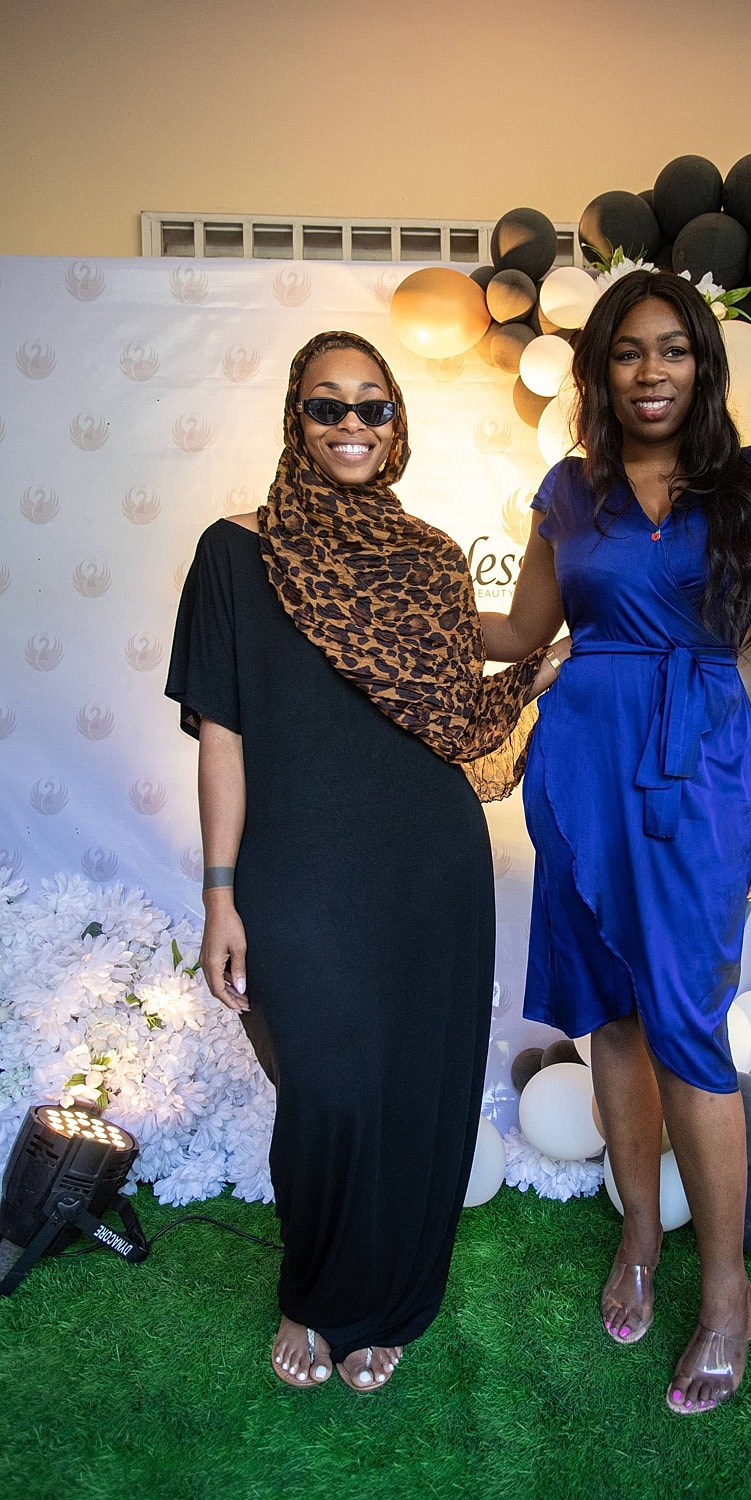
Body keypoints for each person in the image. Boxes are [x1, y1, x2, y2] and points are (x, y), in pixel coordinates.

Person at [166, 331, 561, 1392]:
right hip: (296, 865)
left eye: (372, 407)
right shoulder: (234, 552)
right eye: (327, 405)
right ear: (295, 419)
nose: (351, 425)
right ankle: (314, 1291)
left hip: (428, 859)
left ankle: (388, 1304)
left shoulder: (426, 557)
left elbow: (453, 708)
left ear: (397, 425)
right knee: (328, 1086)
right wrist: (219, 893)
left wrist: (540, 667)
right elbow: (222, 736)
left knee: (412, 1088)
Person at [481, 269, 751, 1414]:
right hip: (579, 766)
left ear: (701, 366)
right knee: (612, 1013)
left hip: (701, 766)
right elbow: (522, 630)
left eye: (672, 349)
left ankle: (727, 1293)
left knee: (684, 1022)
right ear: (599, 369)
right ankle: (639, 1233)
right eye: (628, 351)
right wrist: (395, 601)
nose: (650, 371)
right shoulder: (567, 491)